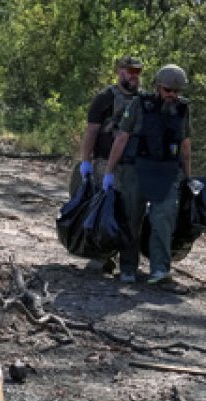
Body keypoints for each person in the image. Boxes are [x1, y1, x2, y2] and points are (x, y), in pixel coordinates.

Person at [104, 64, 193, 285]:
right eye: (167, 90)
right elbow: (122, 137)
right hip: (136, 169)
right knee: (131, 218)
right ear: (157, 87)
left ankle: (160, 269)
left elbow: (185, 146)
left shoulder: (183, 110)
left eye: (176, 91)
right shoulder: (139, 104)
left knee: (163, 220)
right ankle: (128, 268)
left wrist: (188, 179)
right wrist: (109, 171)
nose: (171, 95)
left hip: (167, 171)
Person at [73, 55, 143, 274]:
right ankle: (101, 257)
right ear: (119, 71)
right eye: (129, 71)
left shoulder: (143, 100)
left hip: (132, 166)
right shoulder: (104, 98)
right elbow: (92, 130)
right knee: (104, 210)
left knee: (131, 214)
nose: (133, 76)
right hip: (104, 162)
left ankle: (128, 264)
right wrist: (85, 161)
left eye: (137, 72)